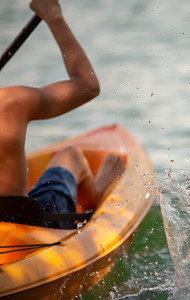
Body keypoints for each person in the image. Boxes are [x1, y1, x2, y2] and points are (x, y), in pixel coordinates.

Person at [0, 0, 124, 228]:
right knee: (72, 156)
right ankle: (96, 193)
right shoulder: (9, 103)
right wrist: (52, 15)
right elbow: (87, 86)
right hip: (24, 233)